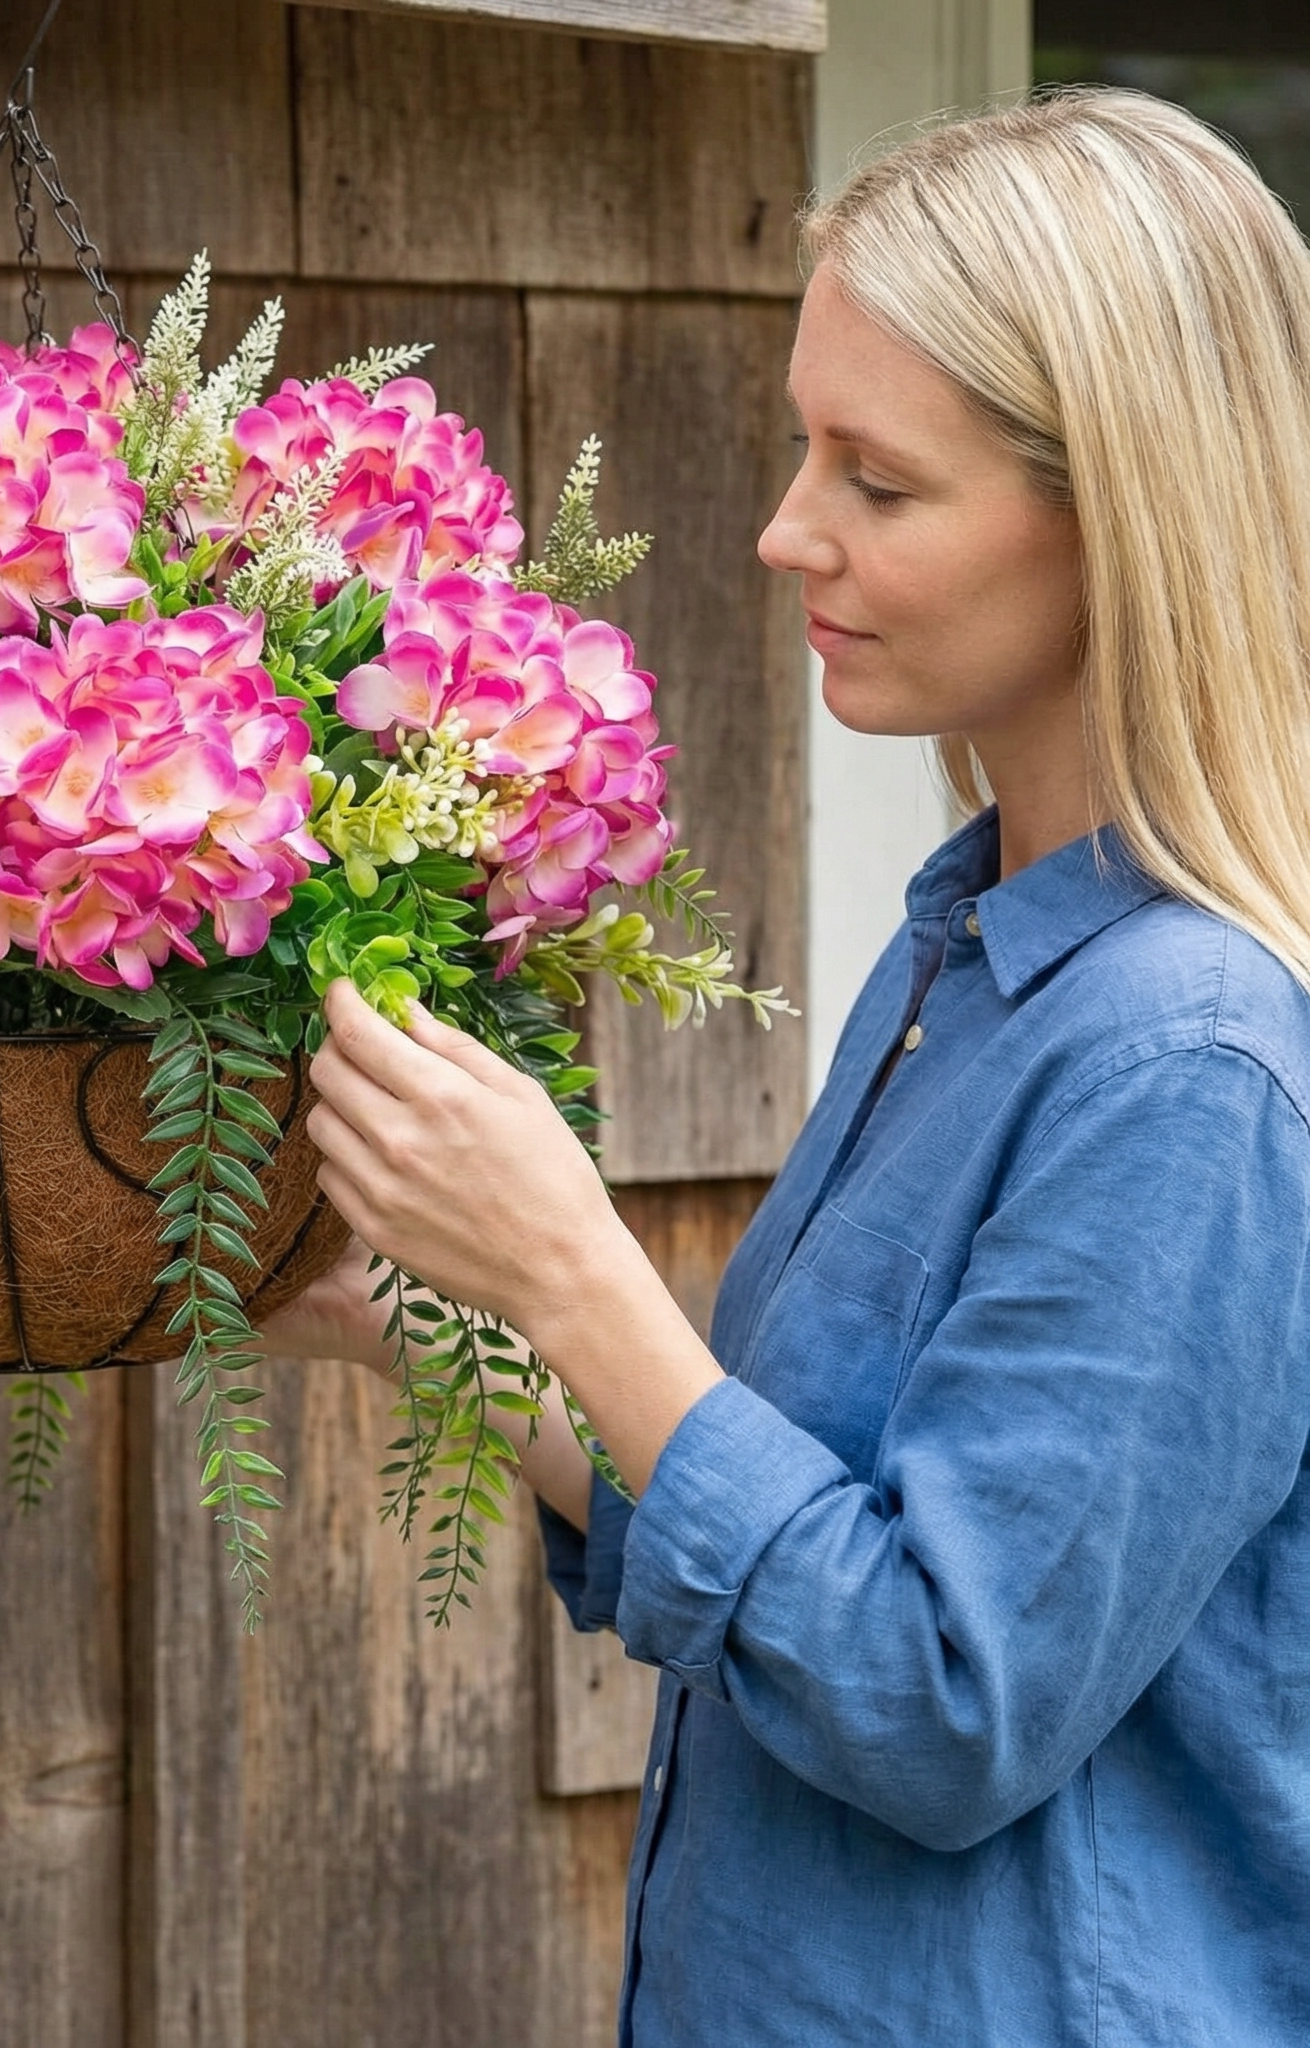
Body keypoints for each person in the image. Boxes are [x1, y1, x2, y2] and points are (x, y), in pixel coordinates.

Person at [263, 89, 1310, 2046]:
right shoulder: (972, 962)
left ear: (1122, 519)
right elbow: (798, 1553)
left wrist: (574, 1269)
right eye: (801, 443)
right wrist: (428, 1318)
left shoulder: (1191, 1068)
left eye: (877, 480)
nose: (781, 526)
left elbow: (931, 1692)